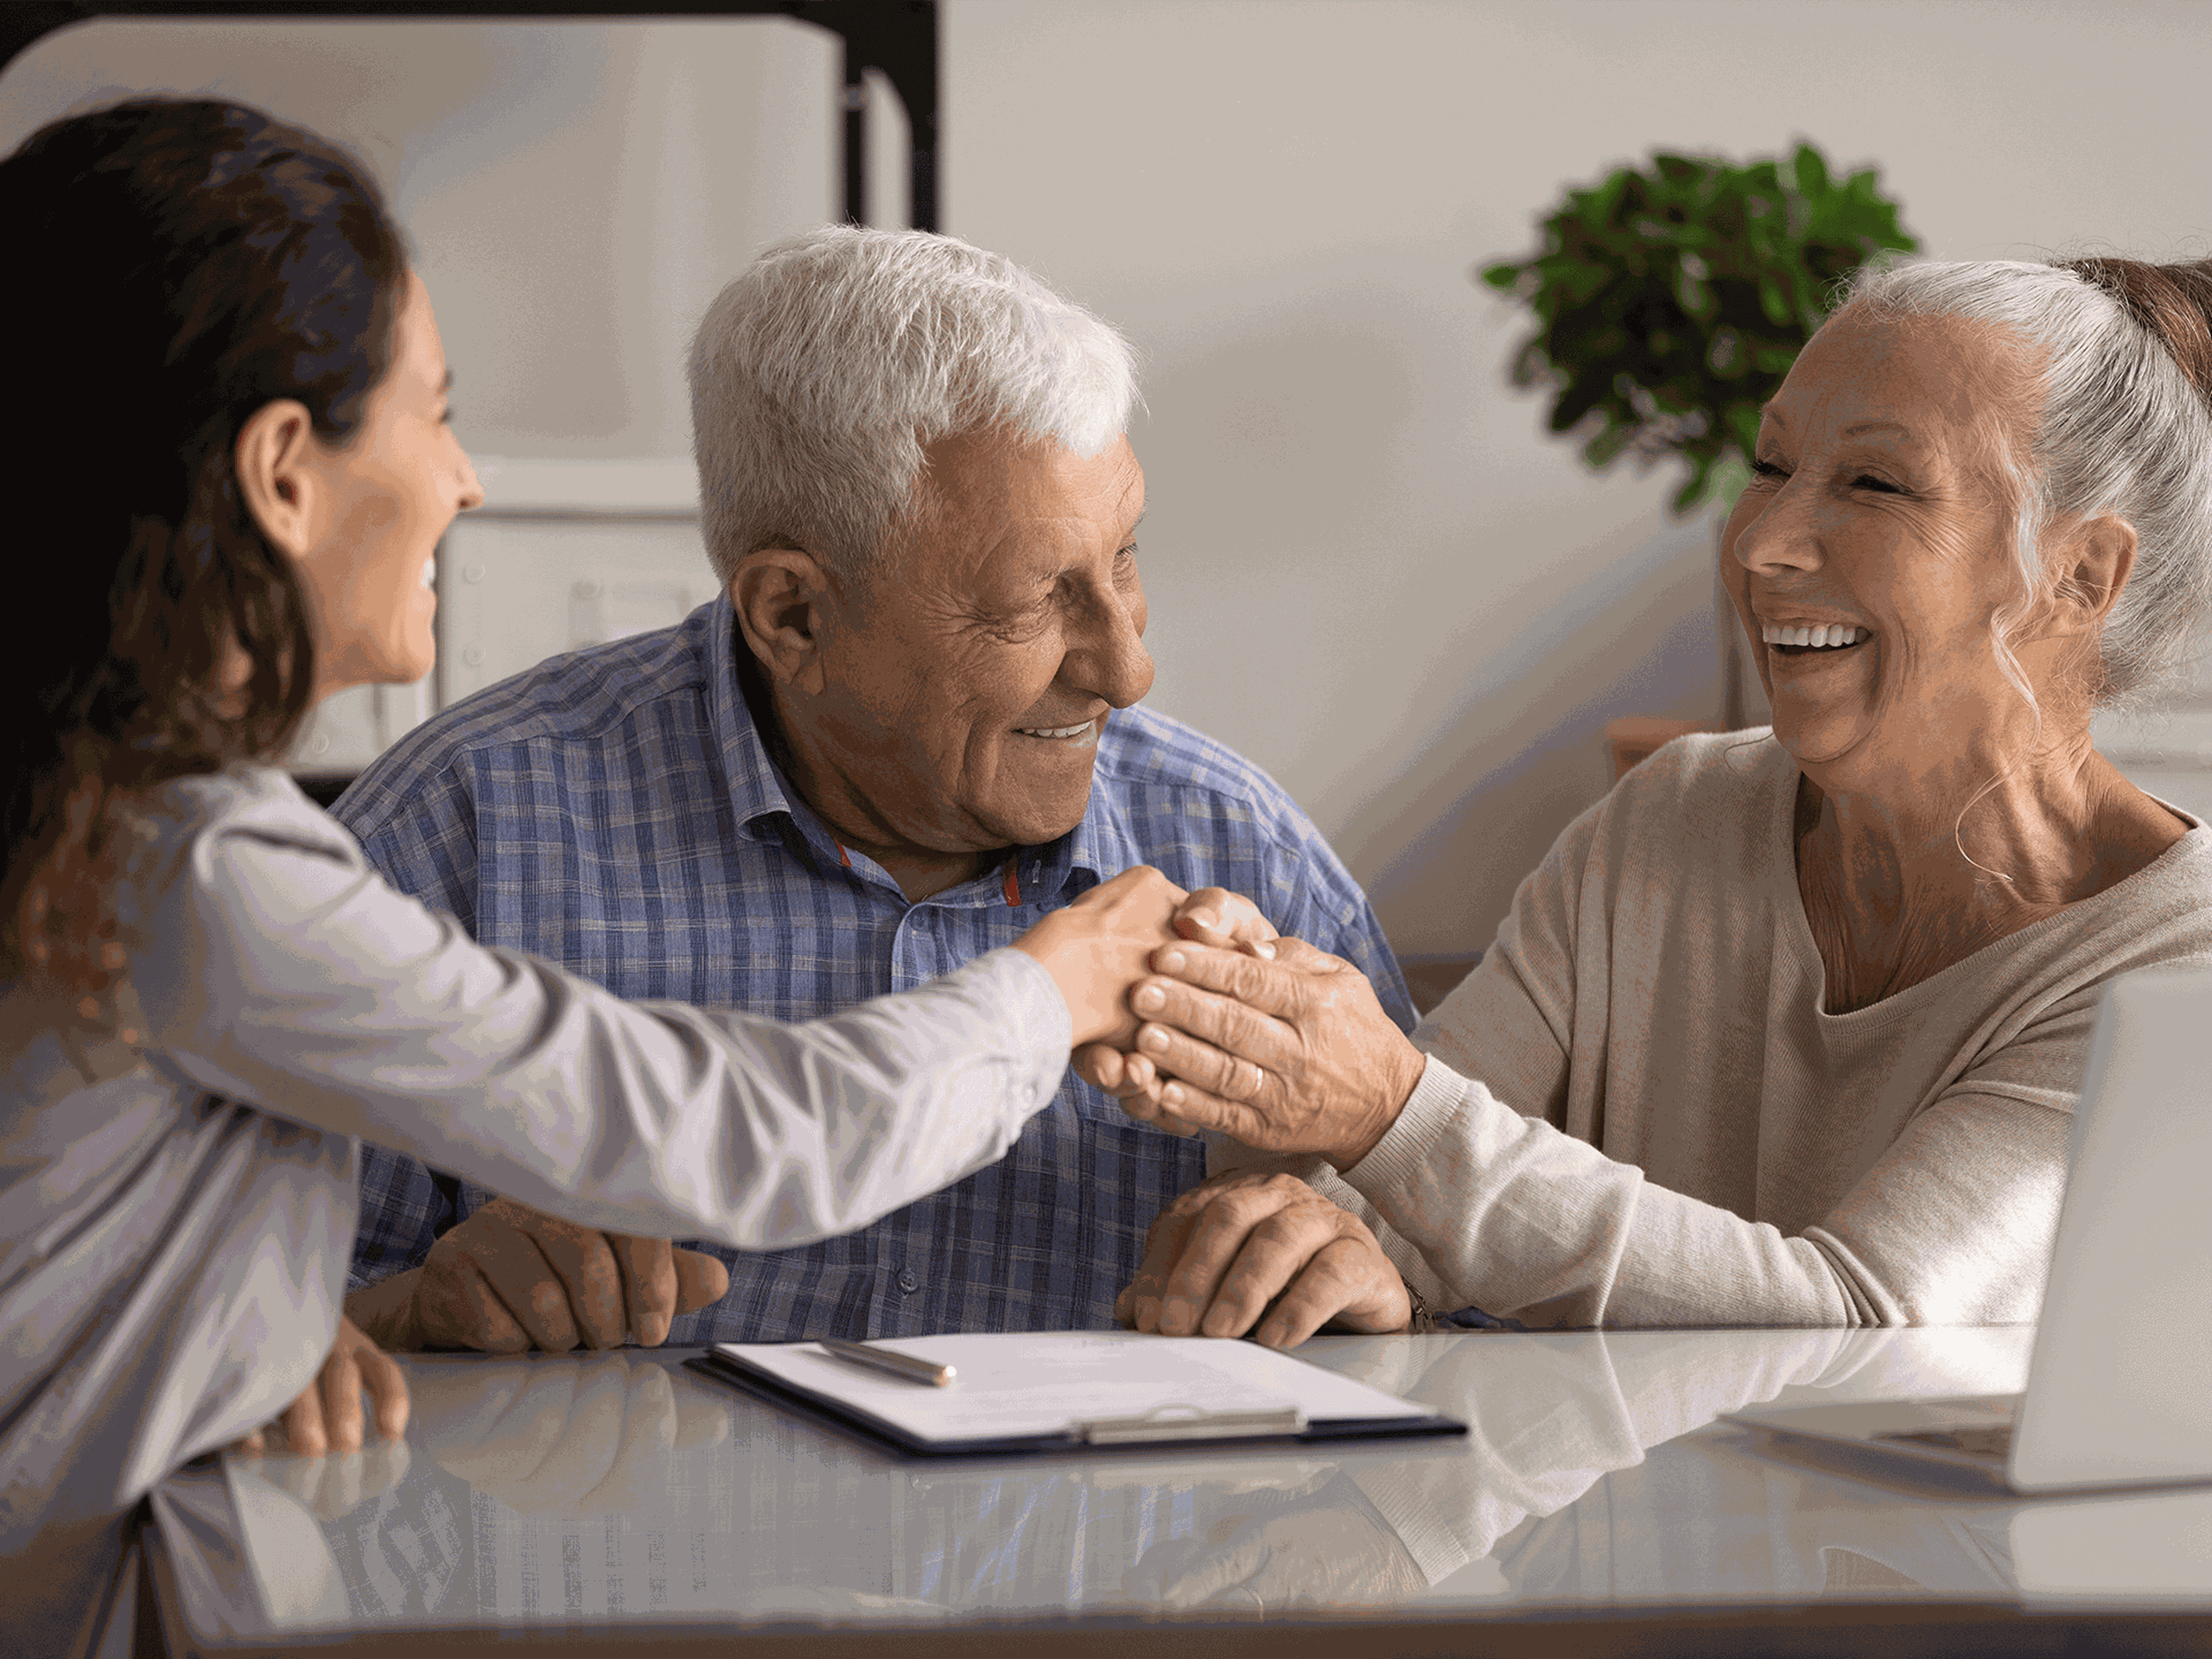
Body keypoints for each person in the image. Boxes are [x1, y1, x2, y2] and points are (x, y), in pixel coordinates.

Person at [0, 98, 1201, 1659]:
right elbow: (734, 1137)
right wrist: (1061, 984)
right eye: (432, 413)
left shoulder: (99, 829)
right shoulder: (208, 873)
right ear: (284, 471)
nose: (465, 481)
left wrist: (263, 1333)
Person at [334, 226, 1418, 1352]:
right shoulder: (457, 841)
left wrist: (1384, 1297)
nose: (1127, 670)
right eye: (1028, 603)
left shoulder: (1245, 854)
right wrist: (419, 1313)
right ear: (793, 616)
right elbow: (221, 1352)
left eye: (1126, 559)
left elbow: (1480, 1330)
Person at [1097, 254, 2212, 1335]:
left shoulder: (2178, 961)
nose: (1764, 542)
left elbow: (1862, 1324)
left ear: (2079, 579)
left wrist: (1387, 1110)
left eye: (1874, 483)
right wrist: (1347, 1249)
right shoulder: (1674, 816)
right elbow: (1418, 1195)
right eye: (1770, 467)